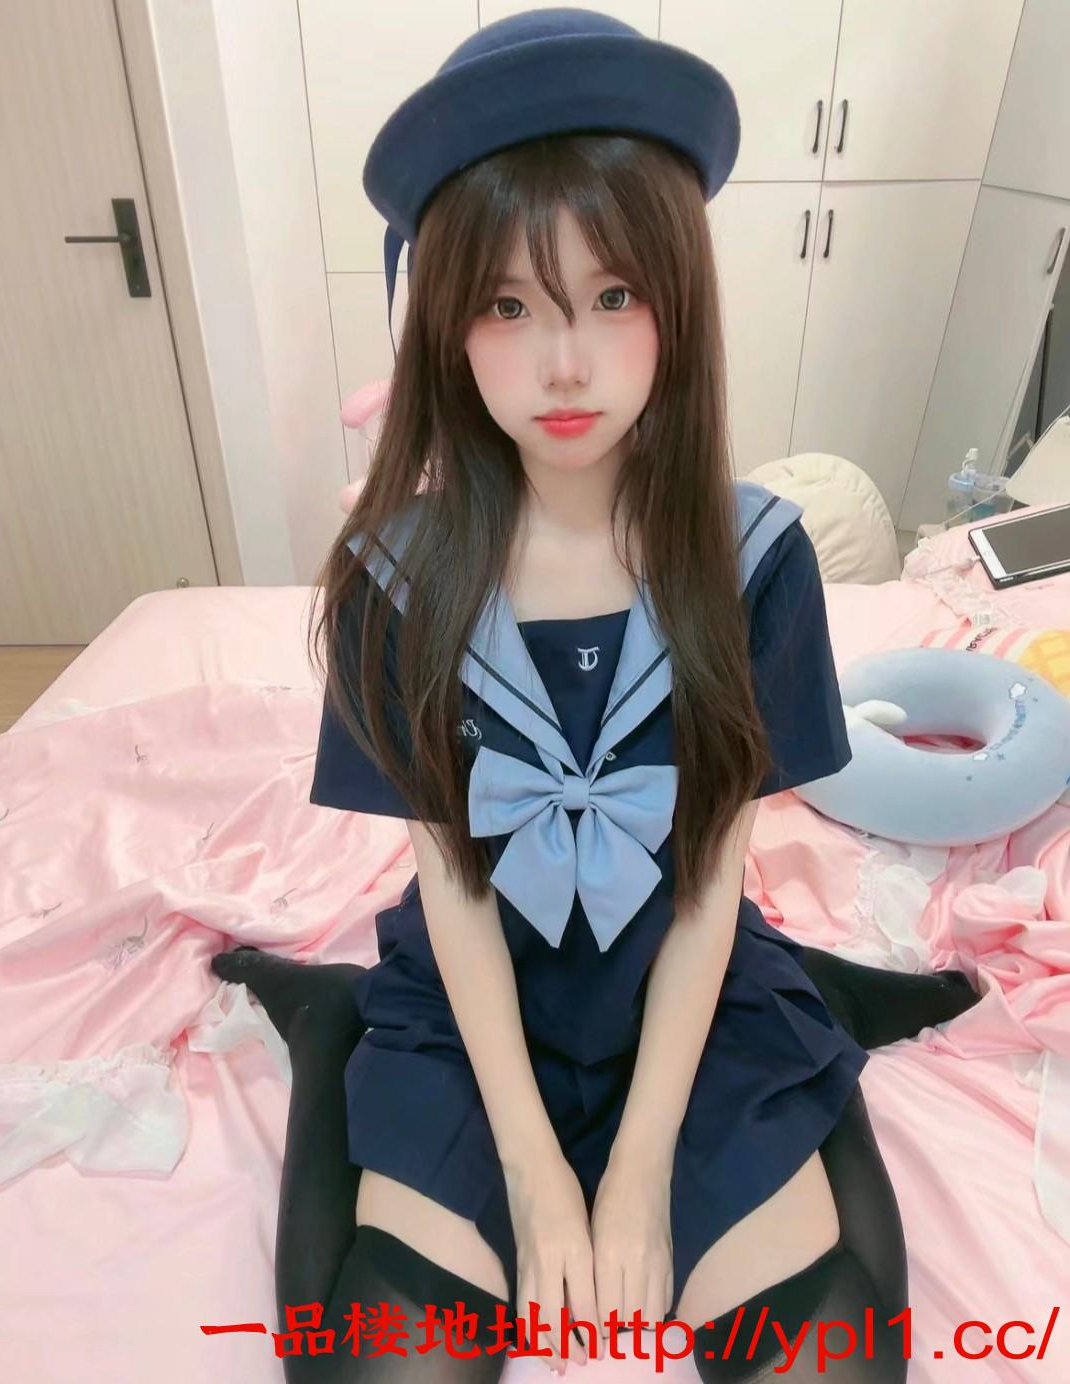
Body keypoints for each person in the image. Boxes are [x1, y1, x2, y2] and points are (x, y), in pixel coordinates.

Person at [212, 11, 980, 1380]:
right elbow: (450, 877)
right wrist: (528, 1161)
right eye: (508, 305)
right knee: (377, 1366)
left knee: (836, 1359)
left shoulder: (754, 560)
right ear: (446, 325)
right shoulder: (398, 578)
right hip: (480, 996)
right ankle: (333, 1025)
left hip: (683, 978)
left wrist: (635, 1169)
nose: (563, 364)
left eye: (614, 295)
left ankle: (812, 1009)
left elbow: (712, 870)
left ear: (678, 306)